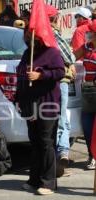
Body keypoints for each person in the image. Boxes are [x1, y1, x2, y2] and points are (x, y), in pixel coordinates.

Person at [15, 27, 65, 195]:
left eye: (30, 36)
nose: (27, 39)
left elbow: (60, 72)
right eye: (26, 36)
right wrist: (17, 98)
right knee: (35, 142)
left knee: (46, 142)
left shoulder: (52, 52)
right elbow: (20, 74)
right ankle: (34, 179)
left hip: (47, 104)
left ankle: (48, 182)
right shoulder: (27, 53)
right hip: (30, 104)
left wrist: (40, 75)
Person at [46, 5, 76, 176]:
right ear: (55, 19)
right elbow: (69, 56)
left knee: (59, 119)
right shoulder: (53, 34)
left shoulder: (40, 36)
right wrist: (70, 63)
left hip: (49, 82)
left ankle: (60, 155)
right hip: (60, 81)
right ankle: (61, 153)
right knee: (61, 119)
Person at [74, 20, 96, 170]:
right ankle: (92, 155)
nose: (88, 34)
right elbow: (72, 57)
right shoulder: (87, 47)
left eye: (91, 32)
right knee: (87, 124)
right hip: (88, 91)